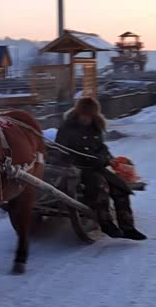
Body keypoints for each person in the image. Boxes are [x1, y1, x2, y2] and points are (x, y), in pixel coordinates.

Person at [55, 96, 147, 241]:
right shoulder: (67, 128)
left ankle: (128, 227)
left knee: (120, 187)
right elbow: (59, 151)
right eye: (83, 115)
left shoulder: (95, 127)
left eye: (89, 115)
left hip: (96, 166)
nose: (86, 118)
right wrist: (70, 162)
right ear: (78, 113)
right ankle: (106, 223)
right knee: (100, 185)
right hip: (78, 170)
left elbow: (102, 148)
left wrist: (105, 158)